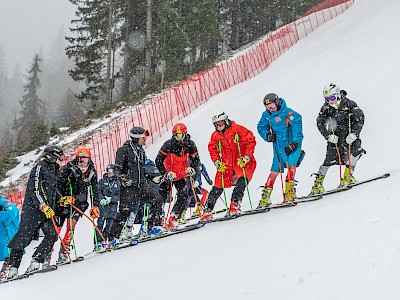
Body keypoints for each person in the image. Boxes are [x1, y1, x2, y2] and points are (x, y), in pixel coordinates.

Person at [0, 146, 66, 281]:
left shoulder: (55, 170)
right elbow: (35, 189)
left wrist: (61, 199)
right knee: (24, 237)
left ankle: (36, 260)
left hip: (47, 211)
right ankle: (12, 267)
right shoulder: (39, 168)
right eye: (59, 156)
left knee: (52, 234)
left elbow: (53, 190)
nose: (61, 159)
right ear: (52, 156)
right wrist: (42, 205)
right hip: (33, 210)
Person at [108, 127, 164, 244]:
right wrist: (123, 178)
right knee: (125, 211)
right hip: (129, 187)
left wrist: (152, 177)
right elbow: (117, 169)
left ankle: (153, 227)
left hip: (141, 185)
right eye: (143, 138)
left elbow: (143, 170)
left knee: (157, 199)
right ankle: (113, 237)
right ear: (136, 138)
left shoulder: (141, 151)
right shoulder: (123, 150)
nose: (145, 140)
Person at [309, 83, 365, 195]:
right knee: (329, 159)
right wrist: (328, 135)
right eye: (327, 99)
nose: (330, 101)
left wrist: (354, 133)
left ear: (338, 95)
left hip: (349, 136)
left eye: (332, 98)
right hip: (335, 138)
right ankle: (318, 184)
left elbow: (360, 118)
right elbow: (320, 122)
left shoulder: (349, 104)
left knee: (356, 151)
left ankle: (347, 177)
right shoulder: (326, 108)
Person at [200, 112, 257, 221]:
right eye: (216, 125)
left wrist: (247, 156)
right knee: (218, 185)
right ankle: (207, 210)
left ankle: (234, 204)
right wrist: (216, 161)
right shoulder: (215, 136)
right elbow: (212, 149)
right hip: (226, 163)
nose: (218, 126)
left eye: (220, 124)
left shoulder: (238, 130)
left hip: (240, 161)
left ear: (226, 121)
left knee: (242, 181)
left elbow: (251, 141)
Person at [257, 93, 304, 207]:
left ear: (277, 102)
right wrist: (268, 135)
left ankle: (289, 192)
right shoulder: (266, 115)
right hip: (278, 144)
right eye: (267, 107)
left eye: (272, 105)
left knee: (291, 165)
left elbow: (298, 122)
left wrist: (295, 142)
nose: (270, 108)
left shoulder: (287, 112)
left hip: (290, 141)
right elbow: (261, 127)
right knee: (275, 169)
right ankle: (266, 197)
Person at [56, 147, 100, 262]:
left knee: (71, 227)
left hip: (80, 204)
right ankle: (47, 253)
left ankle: (64, 251)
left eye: (85, 160)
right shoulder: (68, 169)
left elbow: (95, 191)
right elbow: (58, 185)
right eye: (80, 160)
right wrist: (63, 198)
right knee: (57, 229)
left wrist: (95, 206)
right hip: (65, 203)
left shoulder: (91, 172)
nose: (82, 163)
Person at [155, 123, 200, 228]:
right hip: (168, 175)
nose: (178, 138)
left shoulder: (190, 144)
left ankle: (175, 217)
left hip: (180, 175)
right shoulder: (168, 144)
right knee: (162, 197)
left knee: (183, 195)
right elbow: (158, 161)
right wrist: (165, 173)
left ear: (185, 134)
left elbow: (196, 159)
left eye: (180, 135)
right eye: (176, 135)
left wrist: (191, 168)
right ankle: (157, 220)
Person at [94, 164, 121, 250]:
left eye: (111, 172)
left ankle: (104, 240)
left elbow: (119, 195)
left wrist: (112, 199)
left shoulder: (118, 182)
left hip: (112, 207)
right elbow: (98, 191)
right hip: (103, 206)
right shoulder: (102, 181)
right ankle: (97, 242)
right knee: (100, 223)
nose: (109, 173)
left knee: (109, 225)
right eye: (108, 171)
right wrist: (101, 199)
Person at [0, 196, 20, 280]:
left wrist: (1, 214)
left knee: (8, 253)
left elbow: (12, 212)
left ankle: (7, 270)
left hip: (8, 235)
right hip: (3, 236)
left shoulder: (3, 201)